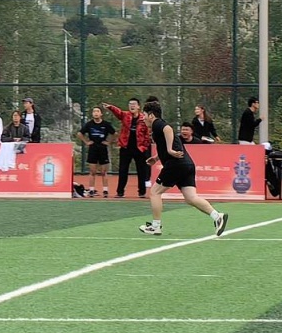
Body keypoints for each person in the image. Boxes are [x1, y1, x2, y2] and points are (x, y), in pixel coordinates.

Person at [138, 100, 228, 237]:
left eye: (144, 115)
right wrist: (156, 158)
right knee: (191, 198)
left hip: (175, 165)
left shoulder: (157, 123)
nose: (143, 118)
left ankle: (155, 226)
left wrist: (169, 150)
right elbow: (166, 143)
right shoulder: (157, 126)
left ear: (151, 115)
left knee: (155, 192)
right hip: (187, 164)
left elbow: (168, 129)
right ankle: (217, 216)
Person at [103, 98, 151, 198]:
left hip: (139, 148)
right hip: (126, 148)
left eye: (134, 104)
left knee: (141, 171)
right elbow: (118, 112)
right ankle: (120, 192)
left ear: (138, 106)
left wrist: (144, 146)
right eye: (130, 104)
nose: (132, 106)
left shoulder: (144, 118)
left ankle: (142, 192)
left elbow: (147, 134)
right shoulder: (125, 115)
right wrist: (111, 107)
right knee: (123, 170)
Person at [77, 106, 116, 198]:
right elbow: (80, 133)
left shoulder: (106, 124)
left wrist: (108, 142)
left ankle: (105, 190)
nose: (96, 113)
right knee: (92, 171)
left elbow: (115, 134)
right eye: (94, 111)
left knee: (103, 172)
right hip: (93, 149)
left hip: (102, 149)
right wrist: (86, 142)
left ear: (101, 114)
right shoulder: (89, 124)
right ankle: (91, 190)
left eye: (97, 111)